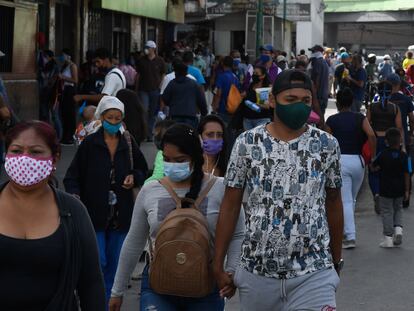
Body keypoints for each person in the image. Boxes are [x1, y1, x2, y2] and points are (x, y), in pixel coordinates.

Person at [214, 69, 343, 311]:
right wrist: (218, 263)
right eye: (290, 100)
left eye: (305, 101)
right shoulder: (247, 143)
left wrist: (337, 260)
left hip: (314, 273)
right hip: (257, 273)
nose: (299, 107)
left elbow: (334, 202)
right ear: (272, 100)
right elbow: (230, 204)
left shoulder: (326, 145)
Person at [109, 124, 245, 311]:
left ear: (196, 158)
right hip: (157, 288)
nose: (172, 165)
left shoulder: (221, 189)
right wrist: (117, 291)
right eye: (167, 159)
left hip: (206, 288)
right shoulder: (150, 190)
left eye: (180, 160)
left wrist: (231, 273)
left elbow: (238, 234)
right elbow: (134, 241)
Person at [0, 121, 105, 310]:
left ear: (54, 158)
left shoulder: (73, 211)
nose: (24, 159)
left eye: (35, 151)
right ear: (6, 155)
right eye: (16, 151)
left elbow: (91, 283)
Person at [63, 96, 148, 303]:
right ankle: (93, 299)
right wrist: (75, 197)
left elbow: (142, 169)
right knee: (98, 261)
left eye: (117, 118)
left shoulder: (128, 142)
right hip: (94, 213)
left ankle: (109, 302)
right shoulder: (90, 144)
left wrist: (133, 177)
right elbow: (72, 177)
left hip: (121, 214)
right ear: (101, 118)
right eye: (109, 118)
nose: (113, 122)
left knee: (115, 264)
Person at [326, 87, 376, 249]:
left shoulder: (332, 120)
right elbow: (371, 135)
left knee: (345, 200)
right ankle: (347, 229)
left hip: (340, 161)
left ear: (338, 103)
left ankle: (350, 235)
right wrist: (372, 155)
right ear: (352, 101)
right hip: (358, 162)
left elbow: (327, 142)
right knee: (351, 199)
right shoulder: (360, 118)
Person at [367, 81, 404, 213]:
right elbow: (399, 128)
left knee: (373, 168)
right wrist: (401, 145)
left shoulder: (372, 107)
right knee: (387, 170)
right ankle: (385, 198)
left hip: (375, 141)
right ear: (391, 92)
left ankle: (376, 193)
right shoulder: (395, 108)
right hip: (390, 143)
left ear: (377, 91)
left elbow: (367, 125)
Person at [371, 128, 409, 247]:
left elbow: (373, 167)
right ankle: (398, 230)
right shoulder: (404, 156)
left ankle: (388, 238)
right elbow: (407, 172)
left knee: (387, 212)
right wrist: (407, 190)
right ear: (400, 141)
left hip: (385, 189)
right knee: (398, 209)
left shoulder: (382, 154)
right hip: (400, 188)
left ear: (386, 141)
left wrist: (373, 165)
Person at [161, 62, 207, 128]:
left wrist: (171, 103)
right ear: (186, 72)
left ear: (175, 72)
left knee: (176, 135)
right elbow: (201, 100)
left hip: (175, 116)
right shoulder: (194, 83)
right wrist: (204, 112)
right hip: (191, 116)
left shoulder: (172, 83)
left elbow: (165, 98)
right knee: (190, 134)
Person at [136, 41, 166, 140]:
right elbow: (138, 75)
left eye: (148, 48)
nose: (146, 49)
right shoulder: (141, 60)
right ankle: (143, 133)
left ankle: (149, 134)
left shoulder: (160, 61)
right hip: (143, 89)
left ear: (153, 49)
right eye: (146, 47)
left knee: (152, 113)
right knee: (144, 110)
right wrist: (136, 88)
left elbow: (163, 74)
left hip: (155, 90)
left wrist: (160, 86)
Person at [241, 66, 273, 130]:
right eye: (253, 73)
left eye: (256, 73)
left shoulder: (267, 87)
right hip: (247, 119)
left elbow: (269, 105)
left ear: (263, 76)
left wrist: (258, 105)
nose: (254, 75)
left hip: (262, 119)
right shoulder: (251, 85)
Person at [144, 119, 176, 184]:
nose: (154, 138)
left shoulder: (162, 154)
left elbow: (158, 176)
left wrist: (146, 184)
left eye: (157, 136)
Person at [57, 49, 78, 145]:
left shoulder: (72, 66)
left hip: (70, 91)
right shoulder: (65, 66)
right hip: (64, 91)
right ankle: (65, 136)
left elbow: (75, 80)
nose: (62, 57)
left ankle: (70, 137)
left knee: (69, 114)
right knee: (64, 114)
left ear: (69, 56)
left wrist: (63, 77)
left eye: (64, 55)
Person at [212, 56, 241, 125]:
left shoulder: (221, 76)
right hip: (233, 108)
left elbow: (218, 93)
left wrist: (215, 106)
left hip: (223, 108)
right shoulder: (235, 77)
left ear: (222, 63)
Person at [38, 50, 59, 122]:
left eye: (45, 56)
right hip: (44, 92)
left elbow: (53, 80)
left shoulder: (54, 67)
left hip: (52, 93)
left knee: (54, 116)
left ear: (50, 57)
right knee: (44, 114)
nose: (44, 58)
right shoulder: (43, 66)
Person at [309, 45, 330, 115]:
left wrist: (314, 95)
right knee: (321, 116)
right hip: (324, 95)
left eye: (313, 51)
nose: (311, 53)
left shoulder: (317, 62)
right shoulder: (324, 62)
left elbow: (317, 80)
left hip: (318, 96)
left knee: (317, 118)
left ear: (317, 52)